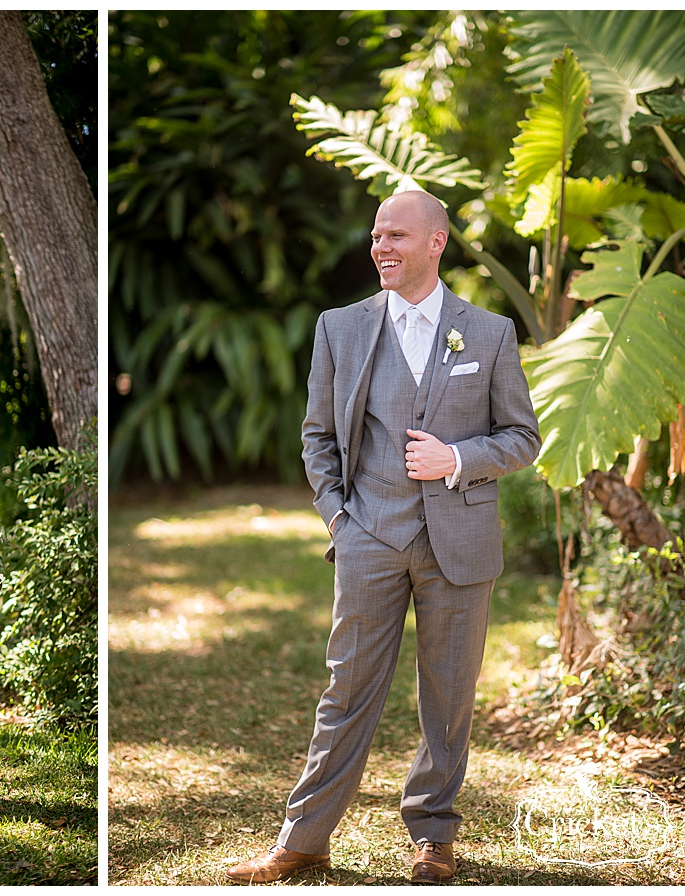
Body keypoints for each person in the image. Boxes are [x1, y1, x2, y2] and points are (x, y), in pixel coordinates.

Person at [226, 191, 541, 884]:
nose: (381, 248)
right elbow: (316, 436)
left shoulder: (486, 333)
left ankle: (433, 834)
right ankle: (304, 838)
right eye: (376, 237)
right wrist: (340, 516)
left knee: (449, 696)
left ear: (436, 243)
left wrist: (456, 460)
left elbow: (522, 438)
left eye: (396, 236)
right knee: (346, 690)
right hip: (369, 533)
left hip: (459, 543)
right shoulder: (340, 326)